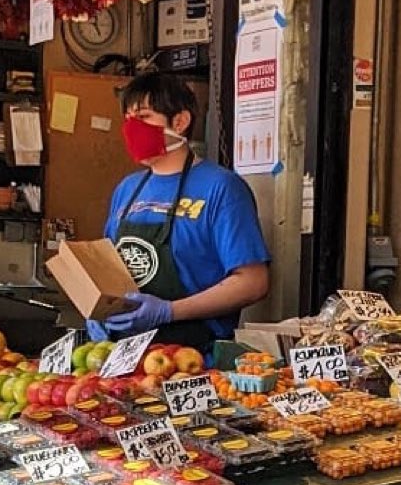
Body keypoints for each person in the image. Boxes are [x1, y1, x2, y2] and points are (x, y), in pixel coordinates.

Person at [91, 72, 271, 352]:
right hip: (122, 355)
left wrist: (169, 311)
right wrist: (97, 312)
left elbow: (253, 282)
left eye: (144, 117)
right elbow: (105, 268)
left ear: (180, 121)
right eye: (128, 119)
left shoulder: (222, 189)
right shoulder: (127, 190)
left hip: (194, 359)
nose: (132, 128)